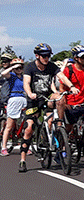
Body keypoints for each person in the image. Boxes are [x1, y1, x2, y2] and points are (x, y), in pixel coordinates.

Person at [20, 43, 61, 173]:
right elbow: (26, 83)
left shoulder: (51, 67)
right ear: (37, 56)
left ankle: (47, 140)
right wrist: (30, 93)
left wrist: (70, 87)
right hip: (34, 100)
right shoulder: (30, 67)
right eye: (44, 56)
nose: (46, 58)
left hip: (46, 98)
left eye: (48, 56)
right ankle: (22, 160)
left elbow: (60, 77)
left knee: (50, 120)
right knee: (29, 128)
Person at [1, 58, 27, 156]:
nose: (19, 69)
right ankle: (4, 147)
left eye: (20, 67)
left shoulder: (24, 77)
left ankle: (25, 146)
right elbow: (3, 74)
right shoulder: (11, 75)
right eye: (17, 67)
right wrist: (12, 68)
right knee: (9, 125)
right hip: (14, 98)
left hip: (24, 98)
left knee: (26, 124)